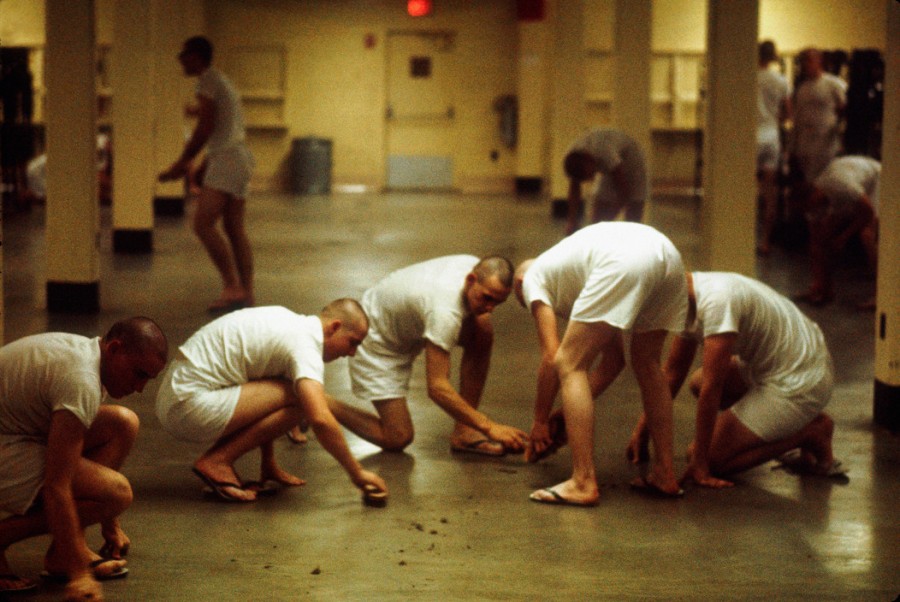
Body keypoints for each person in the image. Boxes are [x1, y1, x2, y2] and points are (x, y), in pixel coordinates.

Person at [515, 222, 688, 506]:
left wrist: (540, 421)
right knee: (647, 364)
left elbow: (552, 357)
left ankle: (582, 481)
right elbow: (615, 360)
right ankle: (665, 473)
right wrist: (566, 412)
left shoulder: (533, 278)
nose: (533, 306)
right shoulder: (572, 277)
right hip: (667, 255)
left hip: (626, 259)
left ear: (519, 285)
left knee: (569, 363)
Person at [0, 318, 168, 600]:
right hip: (7, 440)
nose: (140, 388)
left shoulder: (91, 356)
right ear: (115, 349)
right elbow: (57, 485)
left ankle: (61, 555)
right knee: (116, 493)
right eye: (138, 374)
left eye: (147, 379)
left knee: (123, 423)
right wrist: (81, 574)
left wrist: (108, 523)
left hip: (14, 433)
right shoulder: (81, 379)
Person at [155, 300, 387, 503]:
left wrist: (268, 463)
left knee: (289, 390)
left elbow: (266, 386)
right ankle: (217, 461)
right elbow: (321, 419)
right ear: (334, 327)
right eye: (353, 342)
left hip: (177, 399)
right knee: (302, 400)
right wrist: (357, 473)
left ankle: (230, 462)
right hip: (189, 406)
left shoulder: (288, 320)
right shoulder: (305, 346)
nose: (353, 353)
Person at [626, 272, 837, 486]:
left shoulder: (717, 303)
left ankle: (810, 432)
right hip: (779, 363)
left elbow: (712, 388)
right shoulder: (686, 294)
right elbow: (673, 371)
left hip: (803, 378)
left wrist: (700, 463)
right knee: (696, 382)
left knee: (711, 459)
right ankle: (772, 424)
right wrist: (642, 432)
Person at [325, 255, 529, 457]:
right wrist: (489, 427)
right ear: (470, 280)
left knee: (482, 328)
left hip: (404, 325)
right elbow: (437, 387)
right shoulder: (444, 311)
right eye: (486, 298)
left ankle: (465, 432)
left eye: (497, 302)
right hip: (376, 339)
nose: (490, 308)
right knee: (398, 437)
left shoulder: (474, 266)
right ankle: (319, 401)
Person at [159, 35, 256, 313]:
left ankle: (231, 286)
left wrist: (182, 163)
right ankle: (246, 292)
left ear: (196, 57)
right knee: (234, 228)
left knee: (203, 224)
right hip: (236, 157)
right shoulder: (220, 80)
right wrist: (203, 165)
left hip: (228, 160)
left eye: (184, 55)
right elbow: (220, 130)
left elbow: (205, 128)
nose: (181, 61)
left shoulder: (208, 82)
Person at [795, 155, 881, 308]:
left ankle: (881, 295)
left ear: (814, 196)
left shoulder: (842, 186)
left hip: (875, 178)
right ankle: (823, 288)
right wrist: (819, 280)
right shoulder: (813, 203)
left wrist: (843, 237)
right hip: (851, 181)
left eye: (809, 207)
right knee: (822, 236)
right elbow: (815, 241)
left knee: (867, 235)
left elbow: (867, 212)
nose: (810, 211)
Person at [563, 128, 649, 235]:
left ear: (588, 159)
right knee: (597, 220)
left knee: (633, 217)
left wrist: (608, 221)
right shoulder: (573, 157)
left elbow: (624, 192)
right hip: (611, 164)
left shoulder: (604, 152)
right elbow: (574, 188)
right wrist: (571, 221)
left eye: (589, 175)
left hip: (631, 161)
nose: (590, 180)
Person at [756, 40, 792, 256]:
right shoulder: (780, 80)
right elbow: (788, 113)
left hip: (749, 135)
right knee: (770, 193)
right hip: (771, 136)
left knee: (744, 189)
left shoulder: (747, 76)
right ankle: (765, 241)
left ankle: (741, 234)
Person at [791, 48, 846, 187]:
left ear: (818, 61)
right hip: (805, 144)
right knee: (809, 182)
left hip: (826, 144)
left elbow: (845, 108)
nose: (805, 65)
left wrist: (840, 132)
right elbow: (797, 117)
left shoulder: (834, 84)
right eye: (803, 61)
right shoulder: (802, 88)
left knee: (827, 180)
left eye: (809, 60)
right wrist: (793, 146)